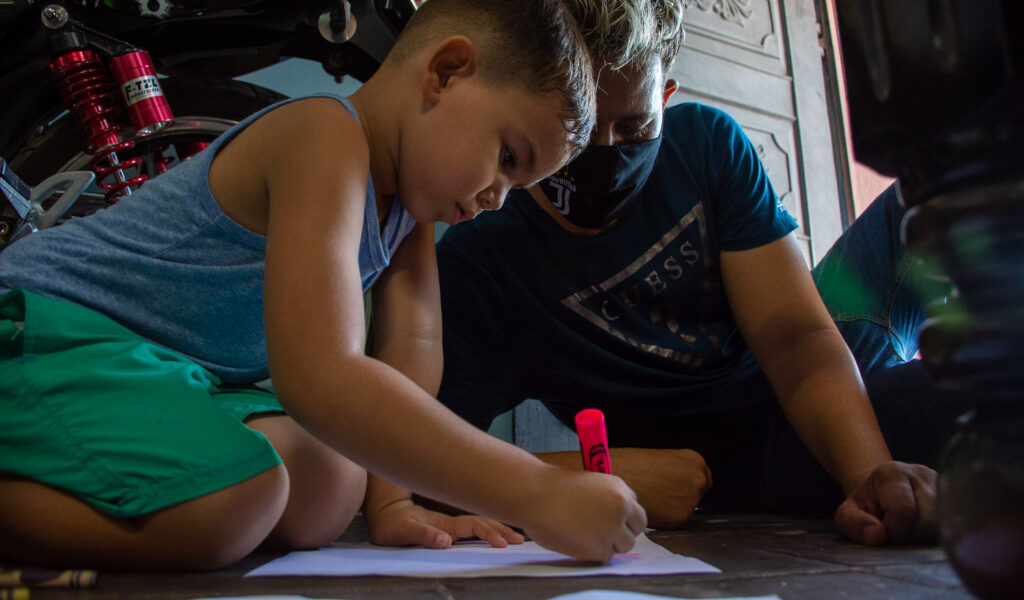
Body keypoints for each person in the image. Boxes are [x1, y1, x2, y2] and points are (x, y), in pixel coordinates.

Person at [0, 0, 649, 570]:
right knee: (236, 504)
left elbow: (409, 351)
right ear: (446, 70)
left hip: (160, 371)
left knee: (330, 484)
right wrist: (536, 491)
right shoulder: (323, 133)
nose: (497, 198)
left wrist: (393, 502)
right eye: (507, 158)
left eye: (517, 186)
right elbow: (320, 375)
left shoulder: (410, 210)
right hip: (43, 331)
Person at [428, 0, 972, 546]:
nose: (606, 150)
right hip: (758, 462)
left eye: (635, 124)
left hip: (824, 372)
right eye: (581, 123)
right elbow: (419, 462)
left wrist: (871, 479)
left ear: (665, 98)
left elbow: (797, 340)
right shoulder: (482, 264)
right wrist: (595, 471)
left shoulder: (705, 143)